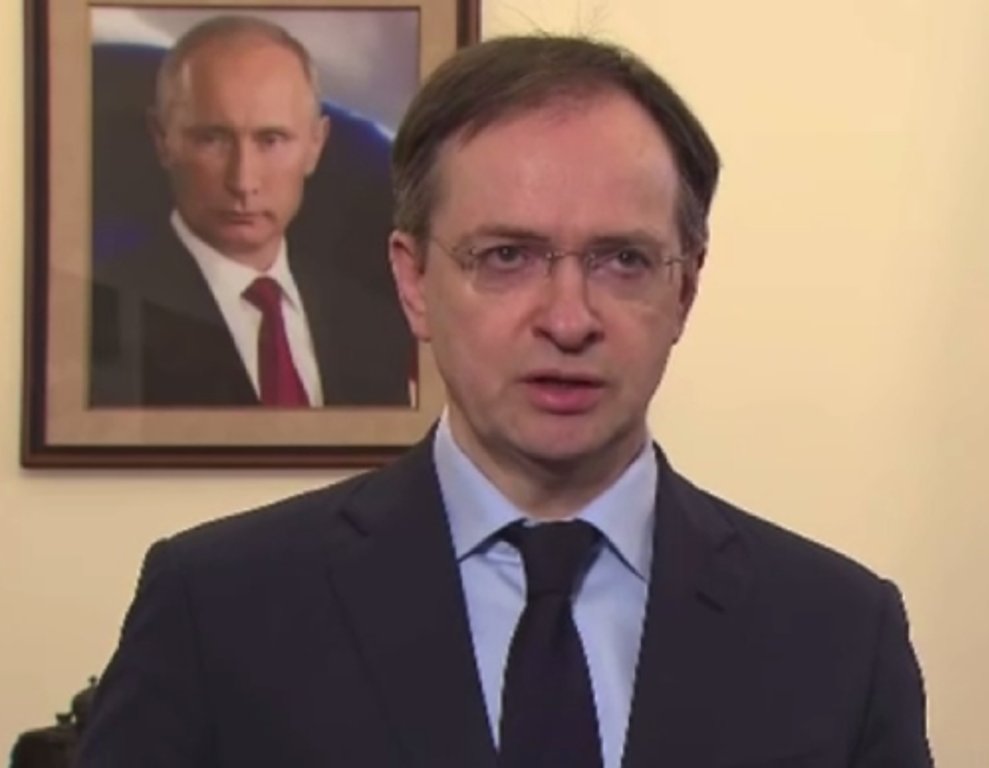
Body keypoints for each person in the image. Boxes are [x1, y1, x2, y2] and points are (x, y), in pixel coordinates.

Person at [76, 35, 934, 767]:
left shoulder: (838, 636)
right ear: (414, 281)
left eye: (624, 261)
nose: (568, 319)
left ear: (686, 289)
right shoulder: (218, 608)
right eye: (507, 257)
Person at [88, 15, 413, 407]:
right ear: (162, 140)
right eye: (213, 139)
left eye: (271, 140)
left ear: (316, 144)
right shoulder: (100, 318)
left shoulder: (373, 328)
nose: (243, 181)